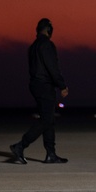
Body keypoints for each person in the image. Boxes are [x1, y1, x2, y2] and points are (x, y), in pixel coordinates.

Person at [11, 18, 69, 164]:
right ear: (48, 30)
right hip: (44, 86)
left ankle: (51, 154)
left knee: (49, 119)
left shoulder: (33, 46)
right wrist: (62, 85)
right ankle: (20, 146)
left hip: (36, 85)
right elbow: (52, 67)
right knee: (46, 120)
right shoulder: (47, 45)